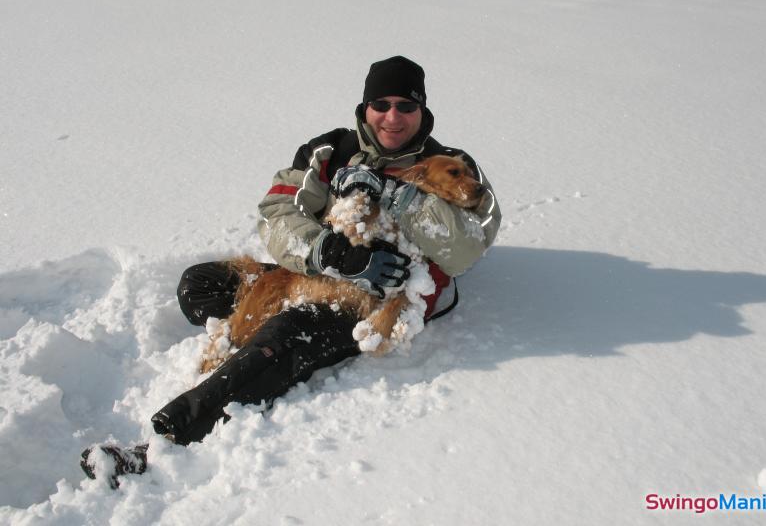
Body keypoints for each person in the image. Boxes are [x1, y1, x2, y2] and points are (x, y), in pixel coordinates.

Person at [80, 56, 502, 486]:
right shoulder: (331, 150)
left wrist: (399, 195)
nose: (393, 116)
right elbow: (276, 211)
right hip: (315, 273)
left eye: (406, 106)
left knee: (282, 337)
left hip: (377, 302)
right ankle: (248, 333)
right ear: (365, 107)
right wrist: (326, 252)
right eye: (382, 103)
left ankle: (161, 441)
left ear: (422, 110)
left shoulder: (451, 162)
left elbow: (469, 246)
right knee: (200, 284)